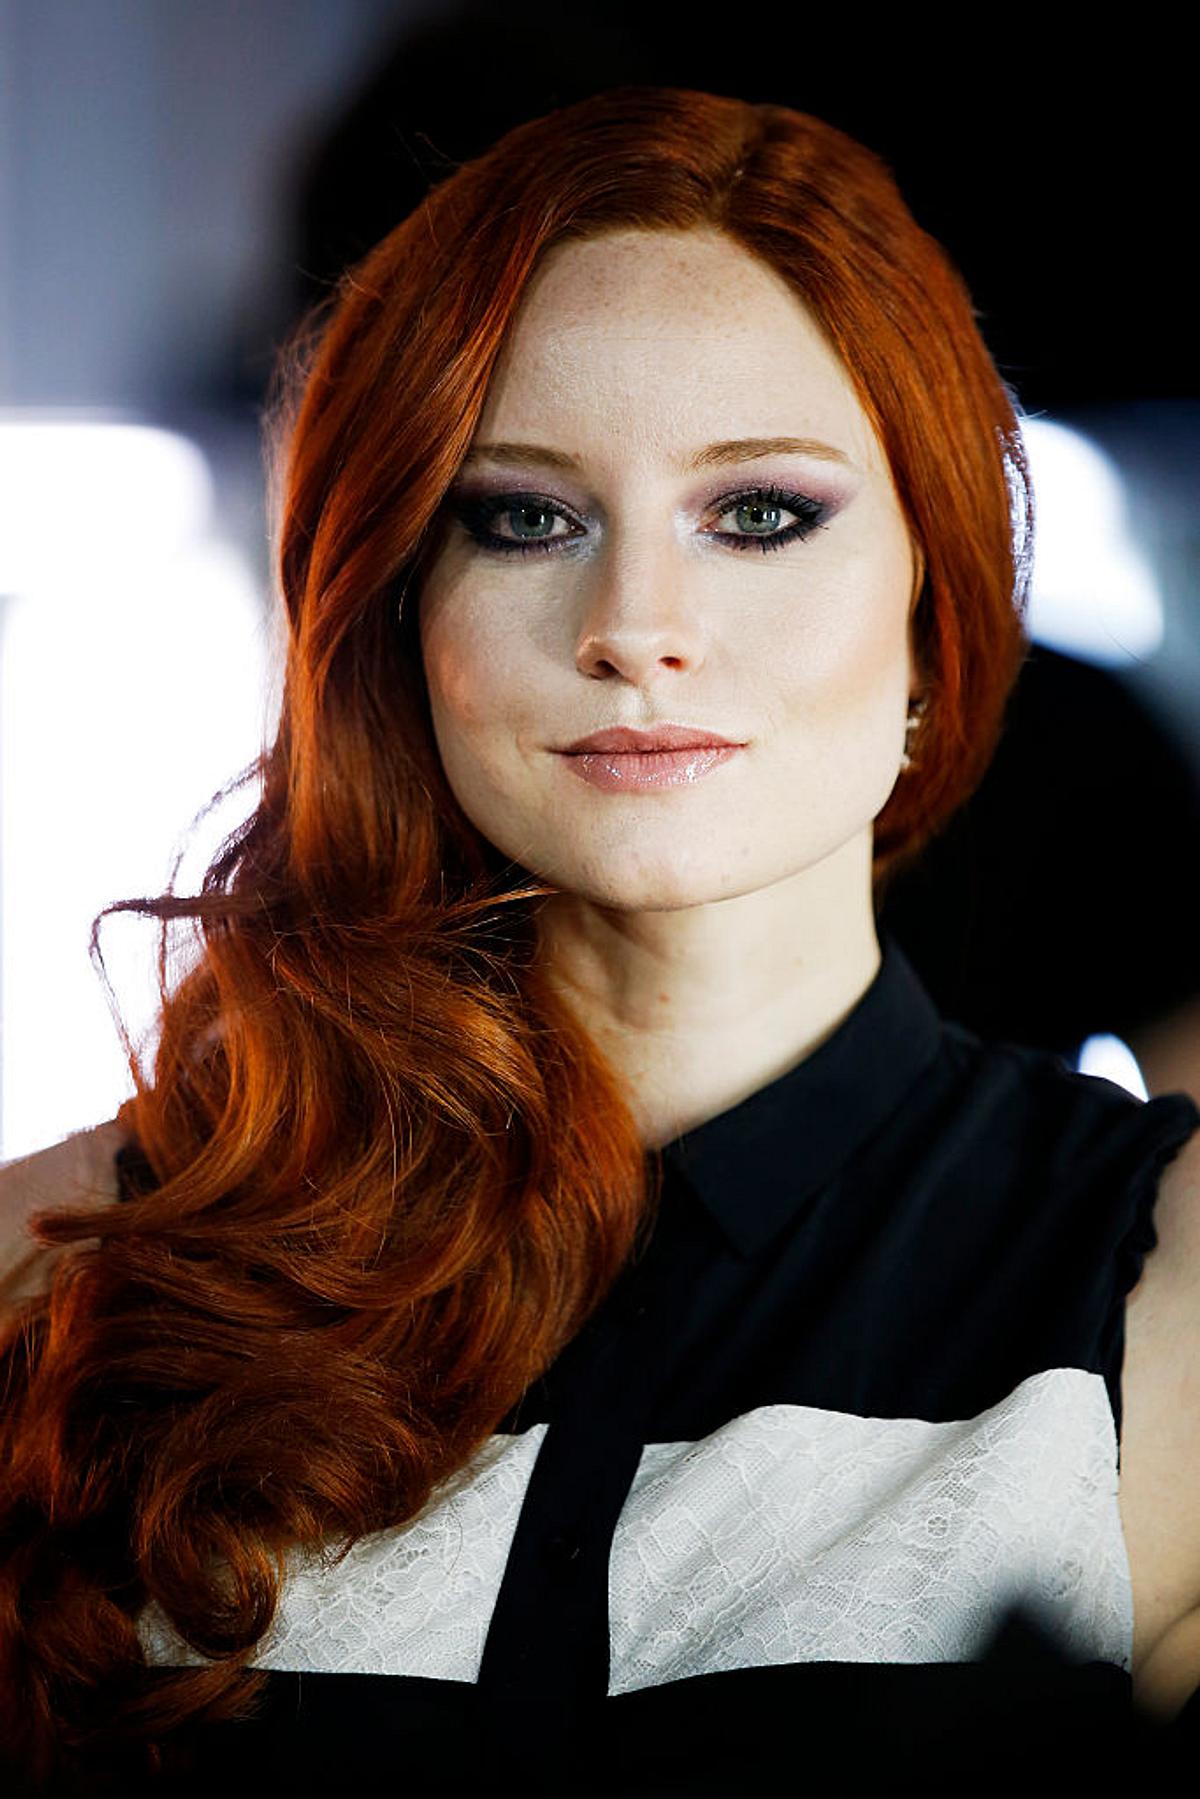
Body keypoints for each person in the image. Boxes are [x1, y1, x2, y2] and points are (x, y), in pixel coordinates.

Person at [2, 84, 1199, 1795]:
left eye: (761, 513)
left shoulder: (1167, 1279)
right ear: (402, 613)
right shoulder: (64, 1266)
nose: (637, 627)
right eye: (524, 517)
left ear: (935, 613)